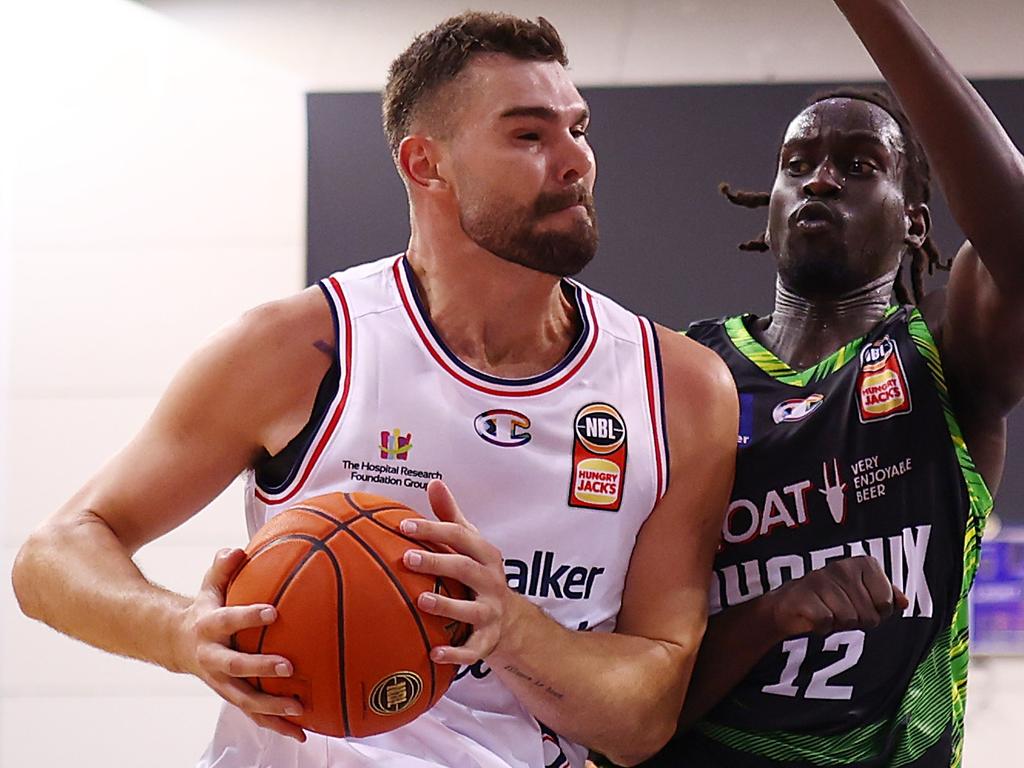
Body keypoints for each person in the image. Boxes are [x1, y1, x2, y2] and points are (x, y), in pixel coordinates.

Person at [11, 12, 737, 768]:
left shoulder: (678, 387)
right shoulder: (300, 348)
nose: (575, 161)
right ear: (426, 165)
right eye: (529, 135)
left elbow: (644, 720)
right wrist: (179, 634)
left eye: (578, 129)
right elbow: (53, 556)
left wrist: (509, 625)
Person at [644, 1, 1024, 766]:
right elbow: (633, 699)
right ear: (774, 202)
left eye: (859, 165)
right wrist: (769, 615)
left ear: (916, 222)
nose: (819, 178)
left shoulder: (951, 364)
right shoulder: (679, 370)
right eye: (796, 163)